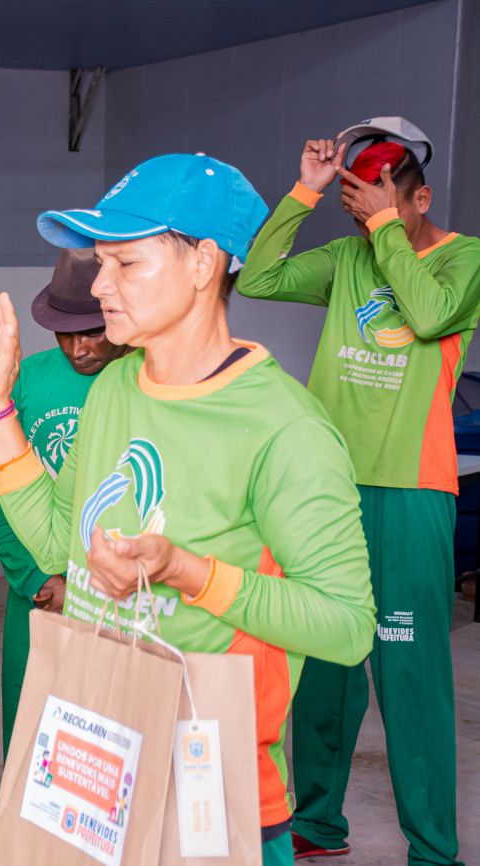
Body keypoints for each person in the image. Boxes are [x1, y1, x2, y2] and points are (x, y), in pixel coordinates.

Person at [0, 154, 377, 866]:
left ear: (203, 264)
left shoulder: (285, 427)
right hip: (96, 769)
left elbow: (346, 627)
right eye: (101, 263)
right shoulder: (116, 388)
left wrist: (191, 573)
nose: (100, 285)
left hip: (209, 794)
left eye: (126, 263)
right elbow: (58, 544)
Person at [236, 118, 480, 866]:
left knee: (408, 672)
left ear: (419, 199)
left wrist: (385, 231)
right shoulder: (348, 257)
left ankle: (433, 849)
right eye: (357, 208)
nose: (366, 221)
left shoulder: (464, 258)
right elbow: (258, 277)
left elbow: (430, 315)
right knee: (323, 664)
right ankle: (316, 822)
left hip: (411, 488)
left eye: (380, 204)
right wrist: (305, 193)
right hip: (330, 487)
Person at [0, 247, 126, 752]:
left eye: (92, 332)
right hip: (36, 593)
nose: (77, 348)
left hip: (118, 598)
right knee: (31, 732)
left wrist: (83, 587)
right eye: (64, 333)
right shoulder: (25, 377)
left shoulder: (141, 379)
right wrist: (35, 578)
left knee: (105, 738)